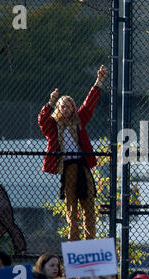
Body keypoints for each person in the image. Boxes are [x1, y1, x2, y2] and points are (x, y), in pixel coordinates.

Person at [38, 65, 108, 241]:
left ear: (73, 108)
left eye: (69, 105)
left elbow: (89, 103)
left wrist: (98, 81)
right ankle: (74, 239)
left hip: (82, 166)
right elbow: (42, 121)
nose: (66, 108)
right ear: (59, 109)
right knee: (71, 205)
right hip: (67, 167)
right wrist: (51, 101)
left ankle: (90, 239)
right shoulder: (54, 126)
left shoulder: (79, 120)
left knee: (89, 203)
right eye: (63, 106)